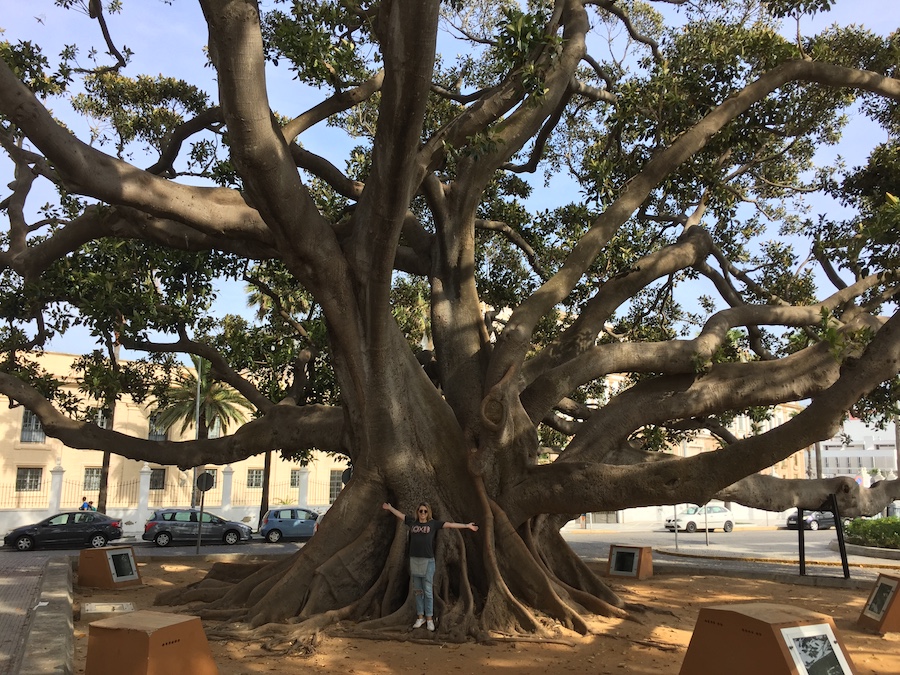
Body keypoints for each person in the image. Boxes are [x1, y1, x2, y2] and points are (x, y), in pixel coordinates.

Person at [382, 501, 478, 632]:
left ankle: (429, 619)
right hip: (415, 560)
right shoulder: (412, 522)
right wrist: (390, 507)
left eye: (425, 511)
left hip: (428, 561)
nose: (422, 514)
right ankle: (420, 617)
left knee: (427, 591)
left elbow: (449, 524)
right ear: (417, 512)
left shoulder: (433, 524)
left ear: (428, 513)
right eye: (420, 511)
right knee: (418, 591)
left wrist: (467, 526)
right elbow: (400, 515)